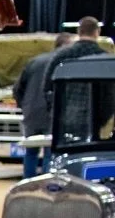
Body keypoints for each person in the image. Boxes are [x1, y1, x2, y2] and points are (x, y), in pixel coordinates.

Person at [44, 17, 114, 147]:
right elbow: (110, 96)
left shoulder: (60, 57)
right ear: (97, 32)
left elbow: (47, 89)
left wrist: (54, 113)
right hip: (92, 122)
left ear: (79, 31)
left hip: (62, 121)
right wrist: (102, 120)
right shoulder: (104, 60)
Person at [14, 32, 74, 177]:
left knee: (30, 152)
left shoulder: (35, 61)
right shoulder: (66, 63)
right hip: (53, 113)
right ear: (66, 45)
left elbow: (17, 88)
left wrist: (24, 106)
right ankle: (47, 183)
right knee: (50, 152)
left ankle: (28, 182)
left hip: (31, 114)